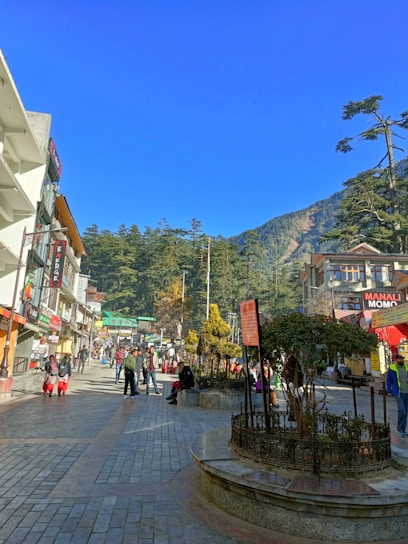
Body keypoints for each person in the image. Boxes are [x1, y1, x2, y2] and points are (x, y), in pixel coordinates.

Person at [386, 354, 408, 437]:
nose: (401, 360)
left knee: (405, 412)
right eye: (400, 359)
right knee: (402, 410)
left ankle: (403, 429)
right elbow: (389, 380)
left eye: (402, 359)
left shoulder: (406, 367)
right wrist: (389, 391)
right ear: (396, 359)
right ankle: (399, 429)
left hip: (406, 392)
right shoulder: (392, 368)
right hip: (398, 393)